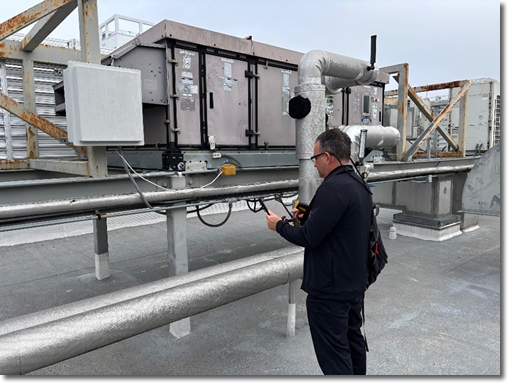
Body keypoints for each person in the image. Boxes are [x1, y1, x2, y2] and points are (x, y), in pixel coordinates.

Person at [266, 128, 372, 375]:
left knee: (334, 355)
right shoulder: (358, 184)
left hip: (329, 292)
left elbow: (309, 238)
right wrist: (307, 217)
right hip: (353, 285)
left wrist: (278, 225)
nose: (314, 165)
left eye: (314, 159)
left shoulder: (333, 187)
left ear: (327, 156)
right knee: (353, 342)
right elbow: (340, 227)